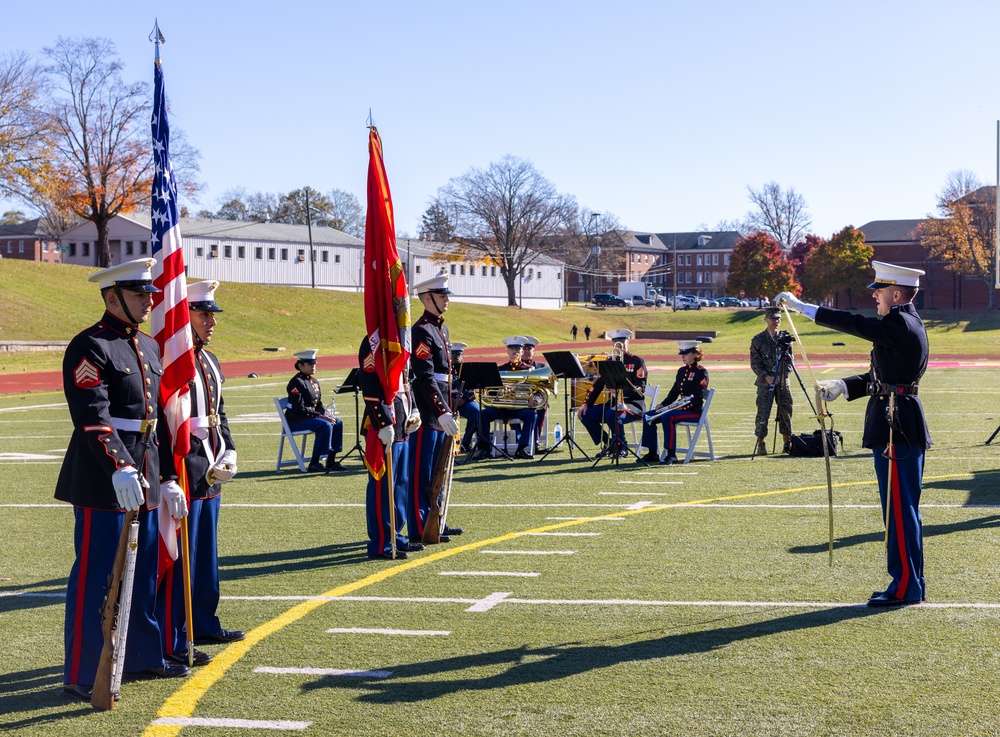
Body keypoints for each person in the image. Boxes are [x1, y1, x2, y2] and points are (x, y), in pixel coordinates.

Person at [57, 258, 190, 701]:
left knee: (144, 571)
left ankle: (141, 656)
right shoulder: (88, 346)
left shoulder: (148, 346)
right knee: (97, 575)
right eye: (139, 294)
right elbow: (92, 418)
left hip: (147, 470)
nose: (150, 300)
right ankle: (83, 671)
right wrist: (120, 466)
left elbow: (158, 417)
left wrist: (169, 475)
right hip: (104, 476)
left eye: (150, 294)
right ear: (112, 297)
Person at [776, 260, 931, 607]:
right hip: (897, 421)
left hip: (897, 426)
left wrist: (805, 309)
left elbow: (856, 324)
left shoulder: (901, 322)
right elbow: (881, 377)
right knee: (900, 510)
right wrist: (843, 386)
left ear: (896, 293)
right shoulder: (904, 324)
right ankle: (908, 581)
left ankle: (907, 586)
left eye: (879, 292)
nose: (875, 298)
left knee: (900, 510)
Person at [160, 280, 244, 668]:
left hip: (211, 467)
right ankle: (176, 634)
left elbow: (218, 413)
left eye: (212, 314)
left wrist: (229, 449)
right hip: (187, 465)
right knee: (183, 557)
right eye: (203, 313)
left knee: (206, 556)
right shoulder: (173, 359)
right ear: (184, 315)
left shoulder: (209, 360)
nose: (212, 321)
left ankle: (204, 621)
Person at [407, 274, 463, 543]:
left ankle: (436, 520)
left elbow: (446, 374)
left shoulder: (441, 328)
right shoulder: (421, 330)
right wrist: (441, 410)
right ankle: (419, 526)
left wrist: (452, 405)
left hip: (443, 404)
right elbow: (425, 375)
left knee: (440, 469)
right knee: (423, 470)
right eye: (443, 296)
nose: (447, 300)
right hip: (429, 408)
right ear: (428, 298)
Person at [358, 335, 421, 559]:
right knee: (382, 487)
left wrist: (414, 410)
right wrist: (383, 422)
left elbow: (406, 380)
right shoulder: (374, 342)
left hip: (402, 423)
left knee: (400, 485)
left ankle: (396, 534)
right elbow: (369, 385)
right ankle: (381, 541)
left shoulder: (402, 340)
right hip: (384, 426)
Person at [577, 328, 647, 457]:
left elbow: (640, 388)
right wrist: (586, 403)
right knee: (585, 415)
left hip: (633, 404)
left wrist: (622, 390)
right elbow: (597, 385)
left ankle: (622, 447)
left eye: (622, 341)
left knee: (612, 414)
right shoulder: (609, 362)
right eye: (616, 342)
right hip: (614, 404)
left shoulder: (637, 362)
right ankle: (609, 443)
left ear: (628, 342)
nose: (619, 344)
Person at [639, 341, 709, 464]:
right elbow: (674, 393)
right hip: (679, 408)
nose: (683, 357)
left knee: (668, 417)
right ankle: (652, 453)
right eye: (682, 354)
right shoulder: (681, 371)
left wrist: (681, 408)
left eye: (686, 354)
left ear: (694, 354)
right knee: (648, 416)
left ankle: (671, 454)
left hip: (694, 411)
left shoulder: (701, 372)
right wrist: (663, 404)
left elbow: (697, 398)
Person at [477, 336, 538, 459]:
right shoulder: (499, 370)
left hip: (520, 409)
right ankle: (484, 449)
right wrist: (497, 394)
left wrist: (537, 399)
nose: (515, 351)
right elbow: (490, 392)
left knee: (532, 415)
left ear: (522, 351)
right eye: (512, 348)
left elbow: (538, 391)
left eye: (517, 349)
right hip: (501, 408)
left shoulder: (530, 370)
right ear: (507, 351)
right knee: (483, 414)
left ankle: (522, 448)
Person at [284, 350, 345, 473]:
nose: (313, 366)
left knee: (337, 422)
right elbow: (298, 408)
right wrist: (321, 416)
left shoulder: (314, 381)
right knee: (324, 425)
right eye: (310, 364)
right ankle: (314, 463)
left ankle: (331, 460)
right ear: (300, 366)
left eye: (314, 364)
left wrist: (325, 414)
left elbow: (318, 404)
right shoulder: (296, 382)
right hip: (296, 420)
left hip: (309, 418)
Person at [750, 308, 794, 455]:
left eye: (778, 319)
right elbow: (755, 363)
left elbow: (790, 361)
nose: (775, 321)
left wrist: (783, 375)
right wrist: (766, 377)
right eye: (772, 318)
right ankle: (761, 442)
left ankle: (787, 442)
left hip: (782, 382)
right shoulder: (758, 339)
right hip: (765, 383)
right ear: (766, 319)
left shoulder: (785, 338)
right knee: (763, 412)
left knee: (786, 410)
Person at [450, 342, 481, 452]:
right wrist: (451, 400)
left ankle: (466, 443)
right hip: (447, 403)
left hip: (463, 403)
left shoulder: (467, 370)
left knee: (476, 411)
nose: (456, 358)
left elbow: (474, 389)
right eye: (454, 355)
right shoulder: (443, 369)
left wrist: (464, 399)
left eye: (458, 355)